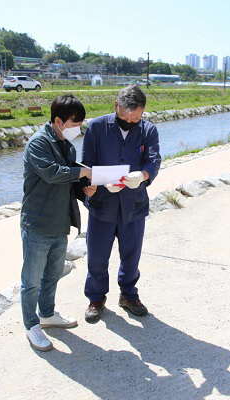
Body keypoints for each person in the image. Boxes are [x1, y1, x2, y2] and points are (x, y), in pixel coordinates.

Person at [20, 94, 95, 351]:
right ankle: (32, 325)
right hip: (38, 223)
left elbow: (69, 183)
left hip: (60, 221)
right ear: (58, 121)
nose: (78, 129)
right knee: (31, 280)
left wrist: (84, 189)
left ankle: (47, 313)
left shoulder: (67, 146)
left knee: (52, 274)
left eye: (80, 124)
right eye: (75, 123)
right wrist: (83, 171)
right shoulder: (38, 143)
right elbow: (52, 174)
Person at [81, 85, 161, 323]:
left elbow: (154, 159)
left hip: (133, 205)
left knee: (131, 255)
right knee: (96, 256)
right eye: (125, 116)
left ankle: (128, 295)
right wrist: (101, 182)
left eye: (136, 118)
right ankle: (96, 298)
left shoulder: (148, 130)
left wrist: (144, 176)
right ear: (116, 106)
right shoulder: (97, 127)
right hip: (102, 203)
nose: (130, 121)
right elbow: (87, 162)